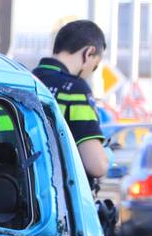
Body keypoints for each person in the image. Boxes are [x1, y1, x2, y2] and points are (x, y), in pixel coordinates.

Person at [33, 20, 110, 179]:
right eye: (94, 66)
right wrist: (107, 154)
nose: (90, 72)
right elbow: (97, 166)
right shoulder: (75, 90)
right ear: (89, 53)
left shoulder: (23, 81)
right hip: (56, 193)